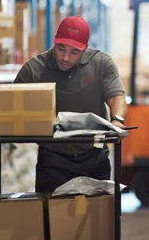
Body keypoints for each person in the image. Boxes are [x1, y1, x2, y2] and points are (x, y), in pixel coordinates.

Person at [14, 15, 128, 193]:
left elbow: (116, 97)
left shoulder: (101, 64)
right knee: (51, 217)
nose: (65, 57)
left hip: (93, 157)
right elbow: (12, 104)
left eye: (74, 52)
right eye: (61, 48)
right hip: (53, 160)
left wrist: (117, 120)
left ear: (85, 49)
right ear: (54, 42)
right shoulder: (34, 70)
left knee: (97, 218)